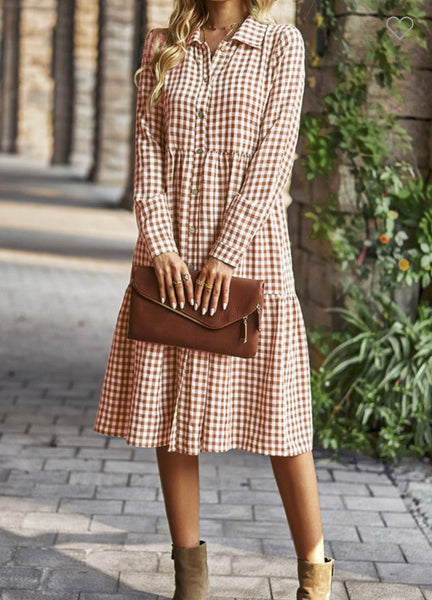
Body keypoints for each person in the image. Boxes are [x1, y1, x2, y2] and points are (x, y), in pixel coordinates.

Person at [93, 0, 335, 598]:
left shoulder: (281, 46)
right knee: (173, 420)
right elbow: (147, 149)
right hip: (170, 263)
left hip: (251, 256)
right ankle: (190, 583)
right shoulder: (161, 43)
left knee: (282, 419)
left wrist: (225, 253)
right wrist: (160, 244)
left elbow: (273, 158)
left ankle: (315, 577)